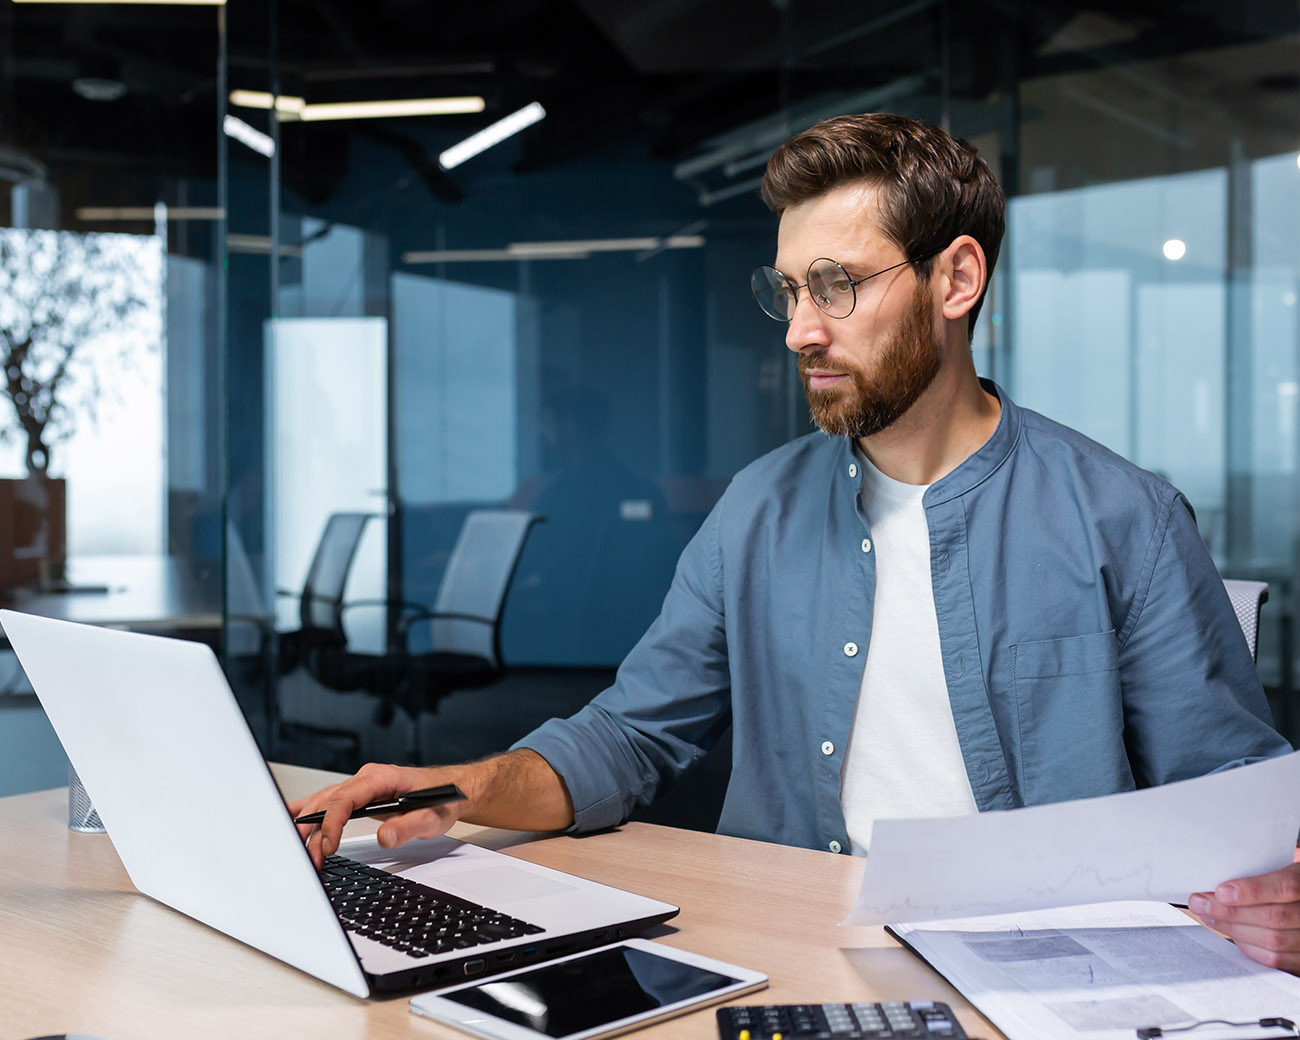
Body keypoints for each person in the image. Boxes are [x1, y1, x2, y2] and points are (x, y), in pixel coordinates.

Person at [292, 112, 1300, 972]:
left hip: (1040, 965)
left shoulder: (1124, 515)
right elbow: (630, 736)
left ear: (955, 279)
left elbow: (1230, 805)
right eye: (788, 291)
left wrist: (1276, 892)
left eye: (836, 286)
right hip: (786, 947)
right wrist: (456, 789)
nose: (798, 332)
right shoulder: (757, 509)